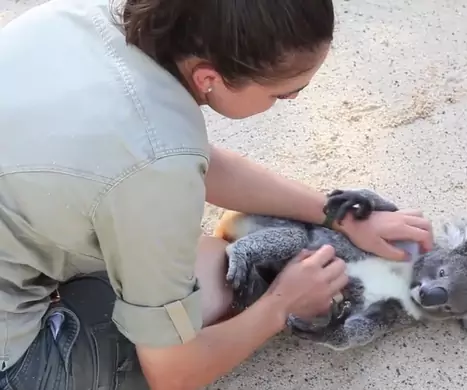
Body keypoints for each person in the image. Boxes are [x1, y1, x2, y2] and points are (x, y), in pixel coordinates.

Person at [0, 0, 434, 389]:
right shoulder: (156, 166)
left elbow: (185, 160)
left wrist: (337, 214)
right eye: (282, 94)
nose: (293, 100)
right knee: (216, 273)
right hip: (12, 363)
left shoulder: (77, 17)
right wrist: (281, 305)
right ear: (209, 77)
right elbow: (174, 375)